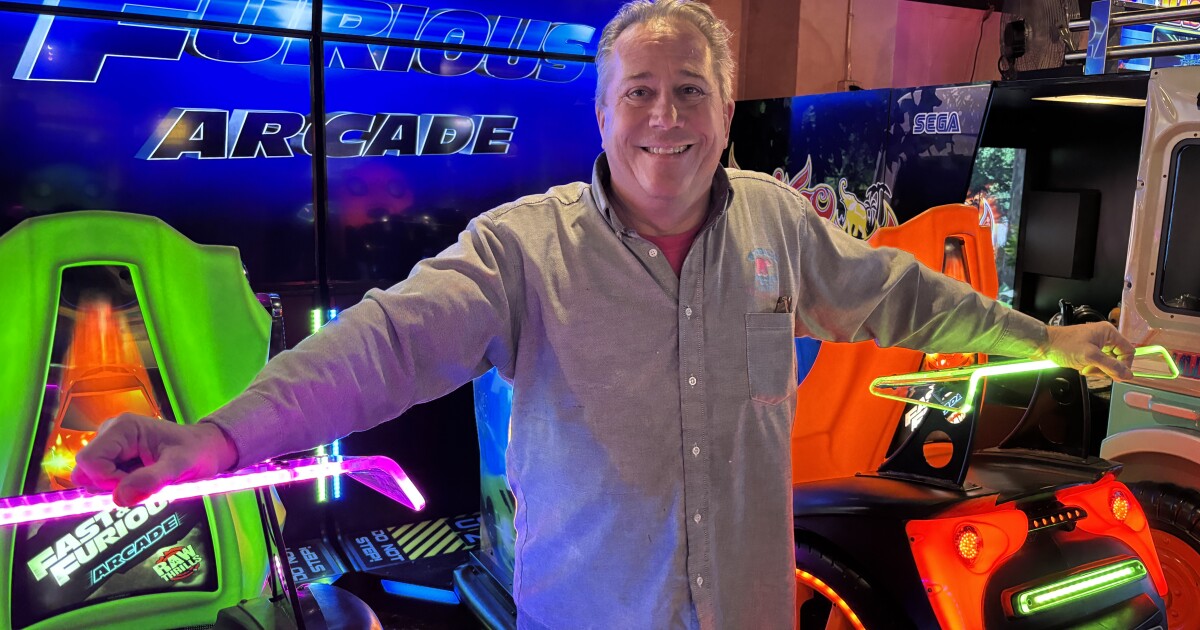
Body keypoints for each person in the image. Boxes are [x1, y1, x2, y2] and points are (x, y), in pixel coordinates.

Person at [73, 1, 1135, 627]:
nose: (665, 116)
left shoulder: (777, 220)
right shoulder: (523, 248)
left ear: (726, 107)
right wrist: (219, 438)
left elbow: (900, 296)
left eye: (690, 90)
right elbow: (386, 344)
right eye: (639, 91)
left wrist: (1047, 341)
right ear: (601, 108)